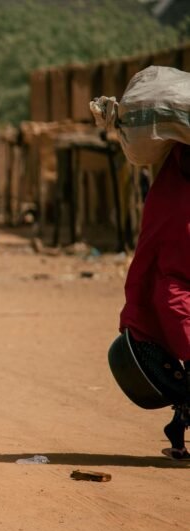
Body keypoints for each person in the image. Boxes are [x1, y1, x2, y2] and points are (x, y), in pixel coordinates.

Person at [119, 143, 190, 459]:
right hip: (175, 293)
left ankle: (178, 427)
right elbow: (152, 257)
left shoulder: (171, 187)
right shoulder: (172, 197)